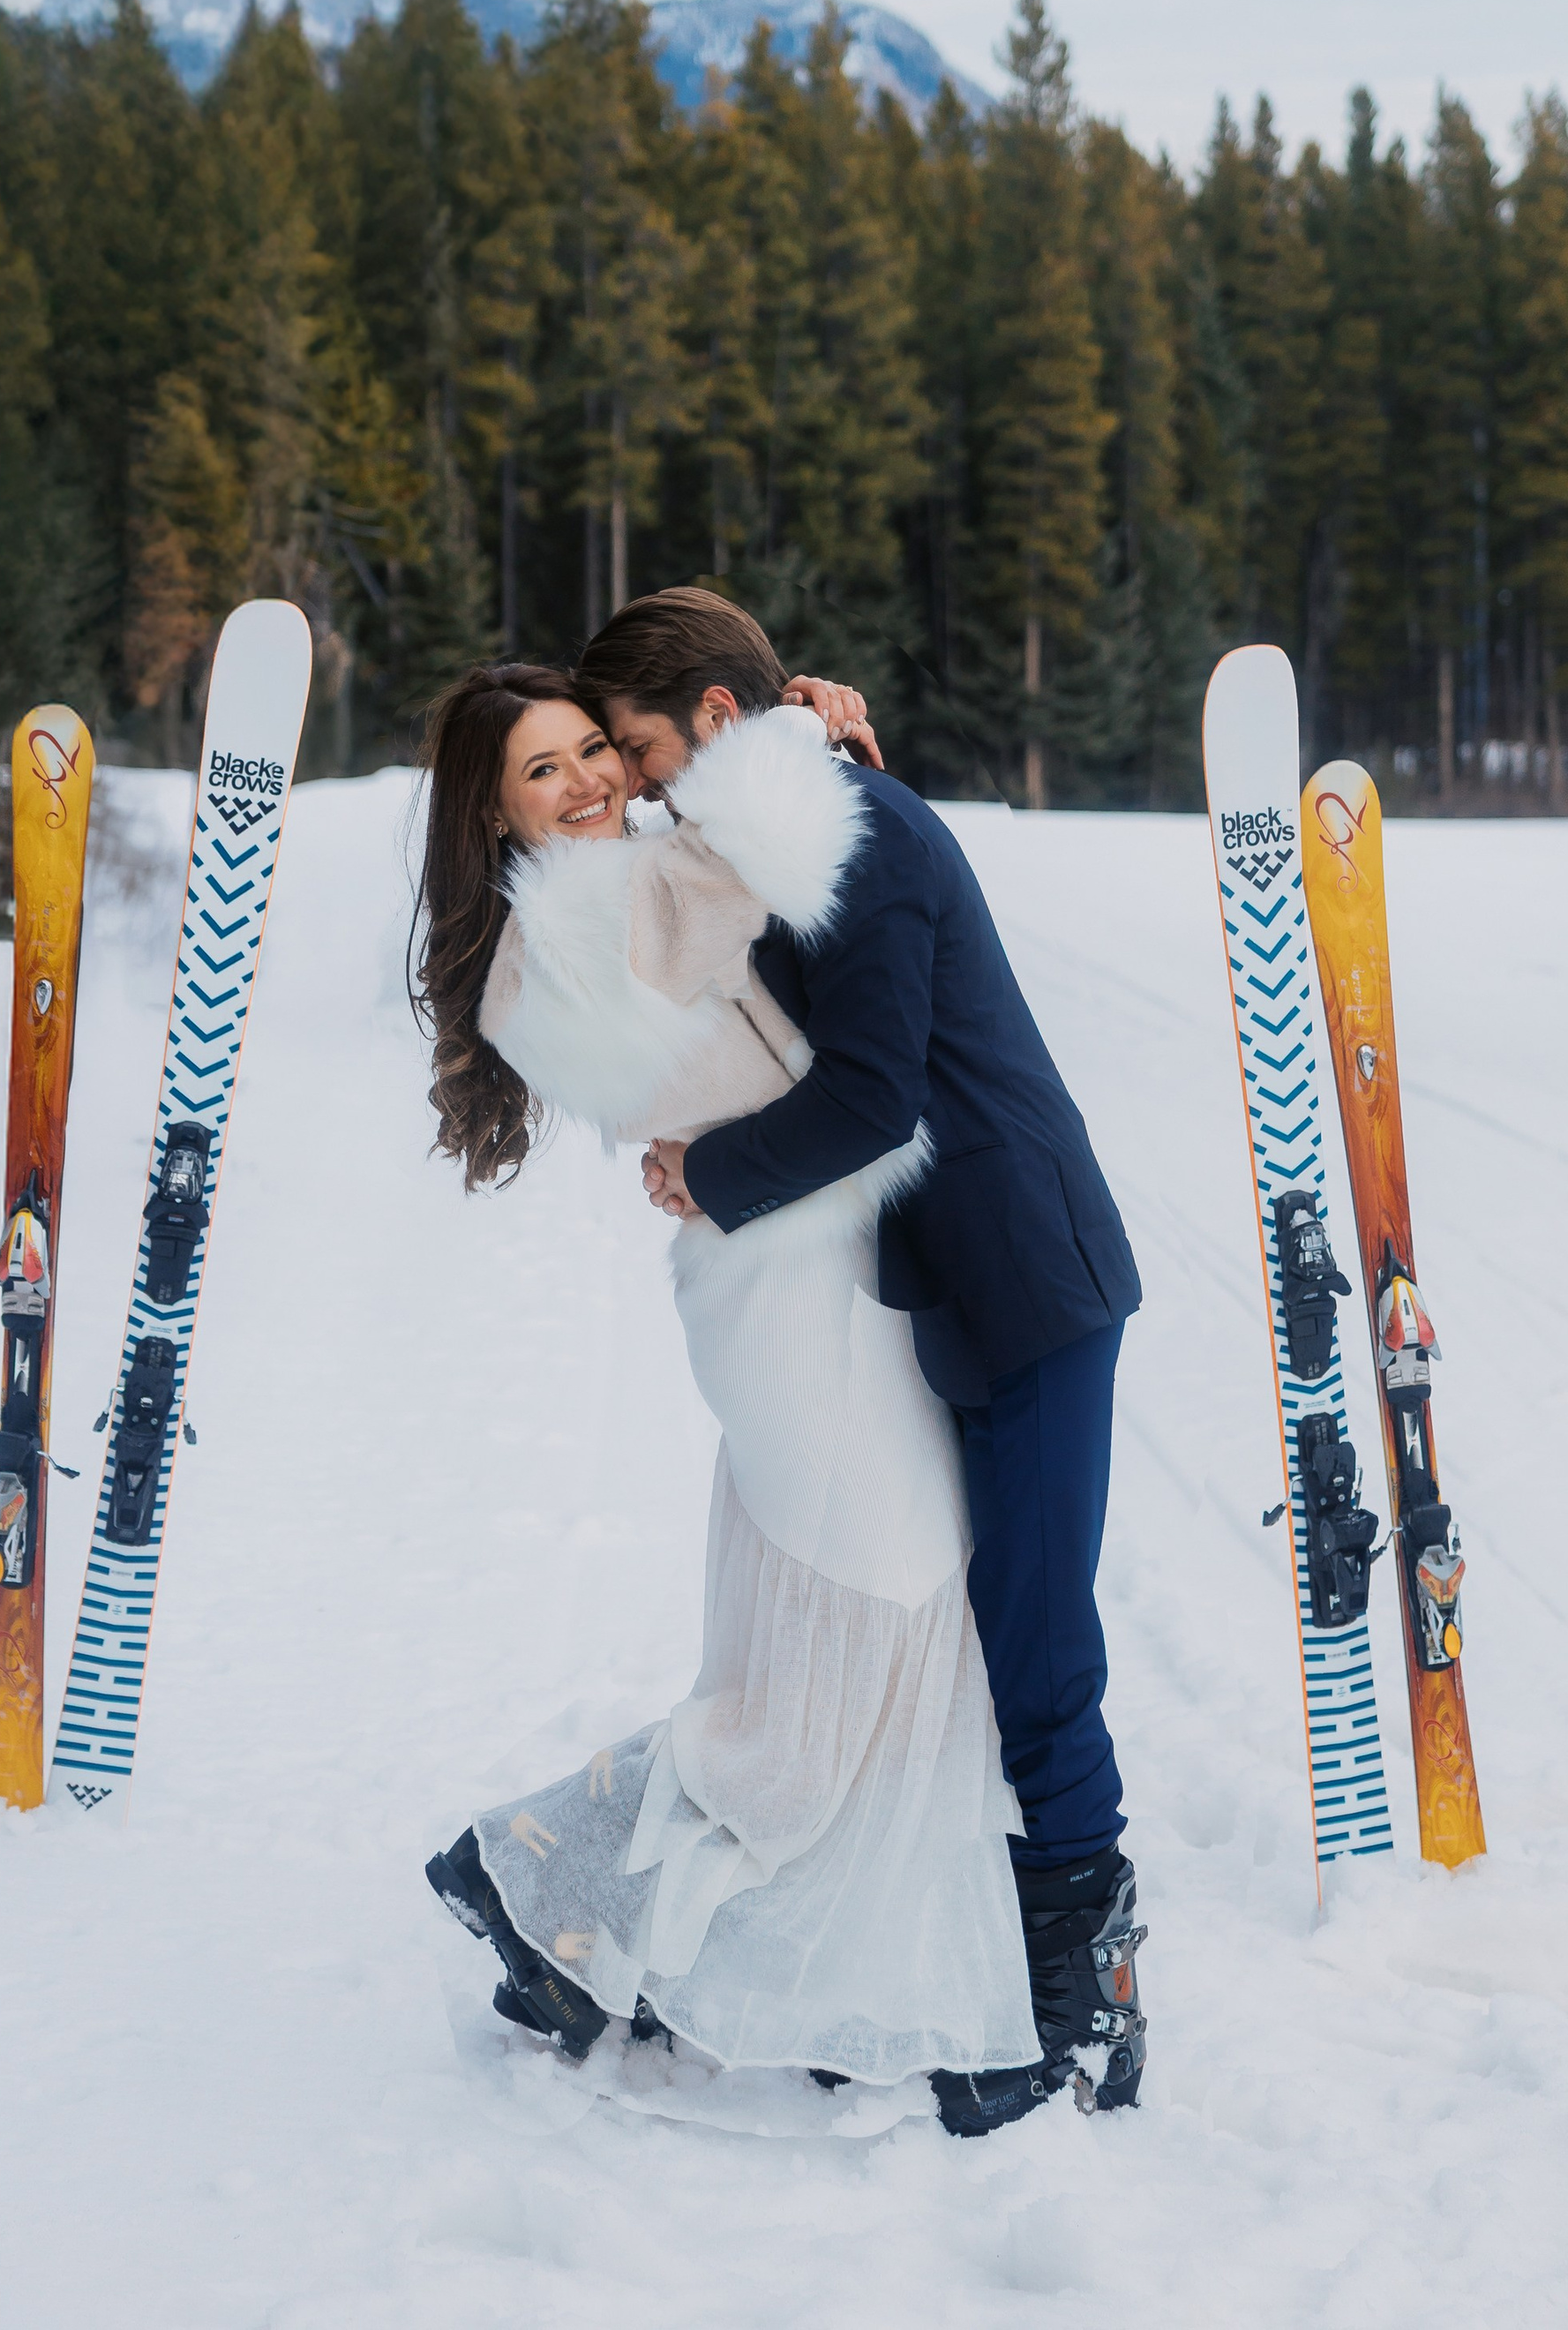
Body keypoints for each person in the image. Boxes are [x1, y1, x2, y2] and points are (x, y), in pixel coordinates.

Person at [412, 659, 1049, 2113]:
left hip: (814, 1266)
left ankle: (654, 1937)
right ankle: (556, 1878)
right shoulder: (572, 931)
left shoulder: (633, 879)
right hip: (787, 1292)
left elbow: (767, 878)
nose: (586, 783)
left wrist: (789, 744)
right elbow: (763, 886)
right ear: (493, 817)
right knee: (873, 1623)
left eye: (592, 750)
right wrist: (783, 744)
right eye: (544, 772)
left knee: (849, 1632)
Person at [575, 589, 1145, 2131]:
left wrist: (712, 1169)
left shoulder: (864, 838)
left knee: (1035, 1642)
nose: (634, 785)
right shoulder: (803, 816)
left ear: (710, 719)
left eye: (640, 750)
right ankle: (979, 1964)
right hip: (950, 1282)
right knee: (977, 1628)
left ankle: (1089, 1996)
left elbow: (882, 1093)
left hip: (1027, 1275)